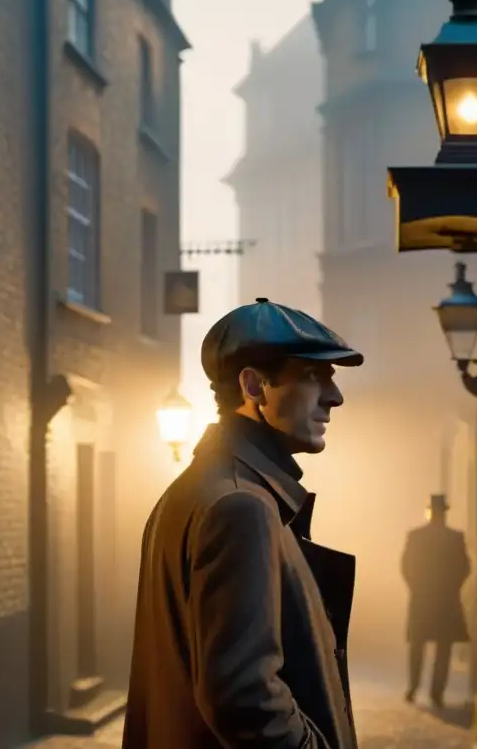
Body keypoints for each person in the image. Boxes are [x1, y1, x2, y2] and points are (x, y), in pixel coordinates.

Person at [122, 298, 362, 749]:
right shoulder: (240, 506)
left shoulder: (199, 491)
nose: (335, 397)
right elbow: (245, 700)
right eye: (314, 376)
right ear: (254, 386)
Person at [400, 493, 471, 709]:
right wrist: (452, 587)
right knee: (441, 648)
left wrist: (416, 587)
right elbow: (464, 567)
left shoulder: (417, 536)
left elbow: (406, 565)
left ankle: (415, 688)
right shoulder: (455, 537)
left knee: (420, 647)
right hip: (444, 599)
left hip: (424, 598)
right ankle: (434, 692)